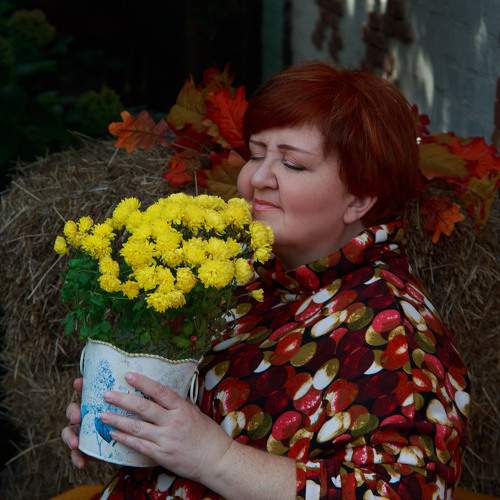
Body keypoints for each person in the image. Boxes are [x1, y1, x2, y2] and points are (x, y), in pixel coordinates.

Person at [62, 62, 469, 499]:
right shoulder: (247, 283)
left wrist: (214, 456)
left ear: (360, 197)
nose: (256, 179)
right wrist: (132, 423)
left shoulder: (394, 330)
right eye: (256, 155)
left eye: (292, 164)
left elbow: (401, 492)